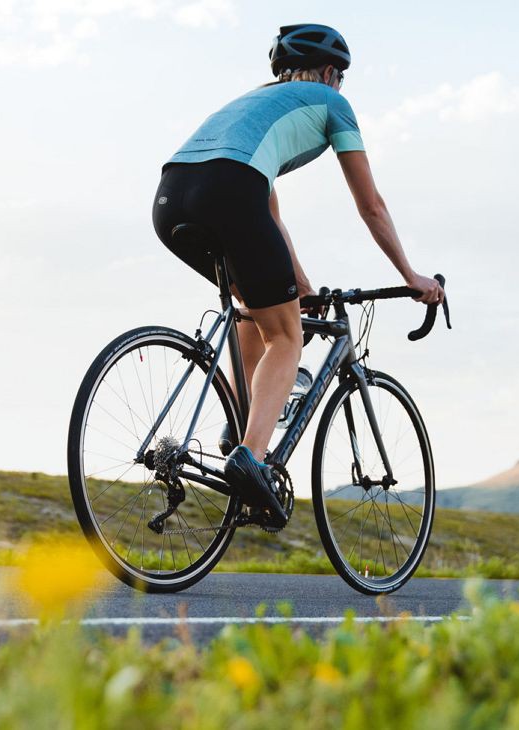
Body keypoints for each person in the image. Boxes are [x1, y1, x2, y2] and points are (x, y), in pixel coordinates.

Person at [152, 24, 444, 524]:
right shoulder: (332, 105)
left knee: (256, 313)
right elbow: (371, 205)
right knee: (288, 336)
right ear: (331, 73)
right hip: (231, 192)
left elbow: (271, 219)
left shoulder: (253, 105)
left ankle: (238, 430)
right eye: (341, 78)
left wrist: (301, 286)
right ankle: (252, 459)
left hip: (170, 195)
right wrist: (412, 275)